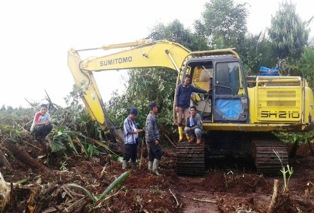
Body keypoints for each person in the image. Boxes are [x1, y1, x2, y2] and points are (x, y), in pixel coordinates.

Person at [175, 74, 208, 142]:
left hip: (186, 106)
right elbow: (177, 96)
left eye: (189, 81)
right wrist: (176, 106)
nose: (188, 82)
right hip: (180, 106)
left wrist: (205, 91)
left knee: (188, 121)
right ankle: (180, 136)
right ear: (184, 80)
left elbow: (197, 89)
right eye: (187, 80)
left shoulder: (190, 87)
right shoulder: (179, 87)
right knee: (179, 121)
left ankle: (188, 136)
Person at [145, 101, 162, 175]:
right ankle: (154, 170)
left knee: (151, 154)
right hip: (152, 139)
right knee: (158, 154)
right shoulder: (150, 117)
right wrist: (155, 139)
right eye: (156, 107)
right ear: (153, 108)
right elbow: (150, 129)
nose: (157, 108)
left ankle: (150, 169)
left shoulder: (152, 116)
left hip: (150, 139)